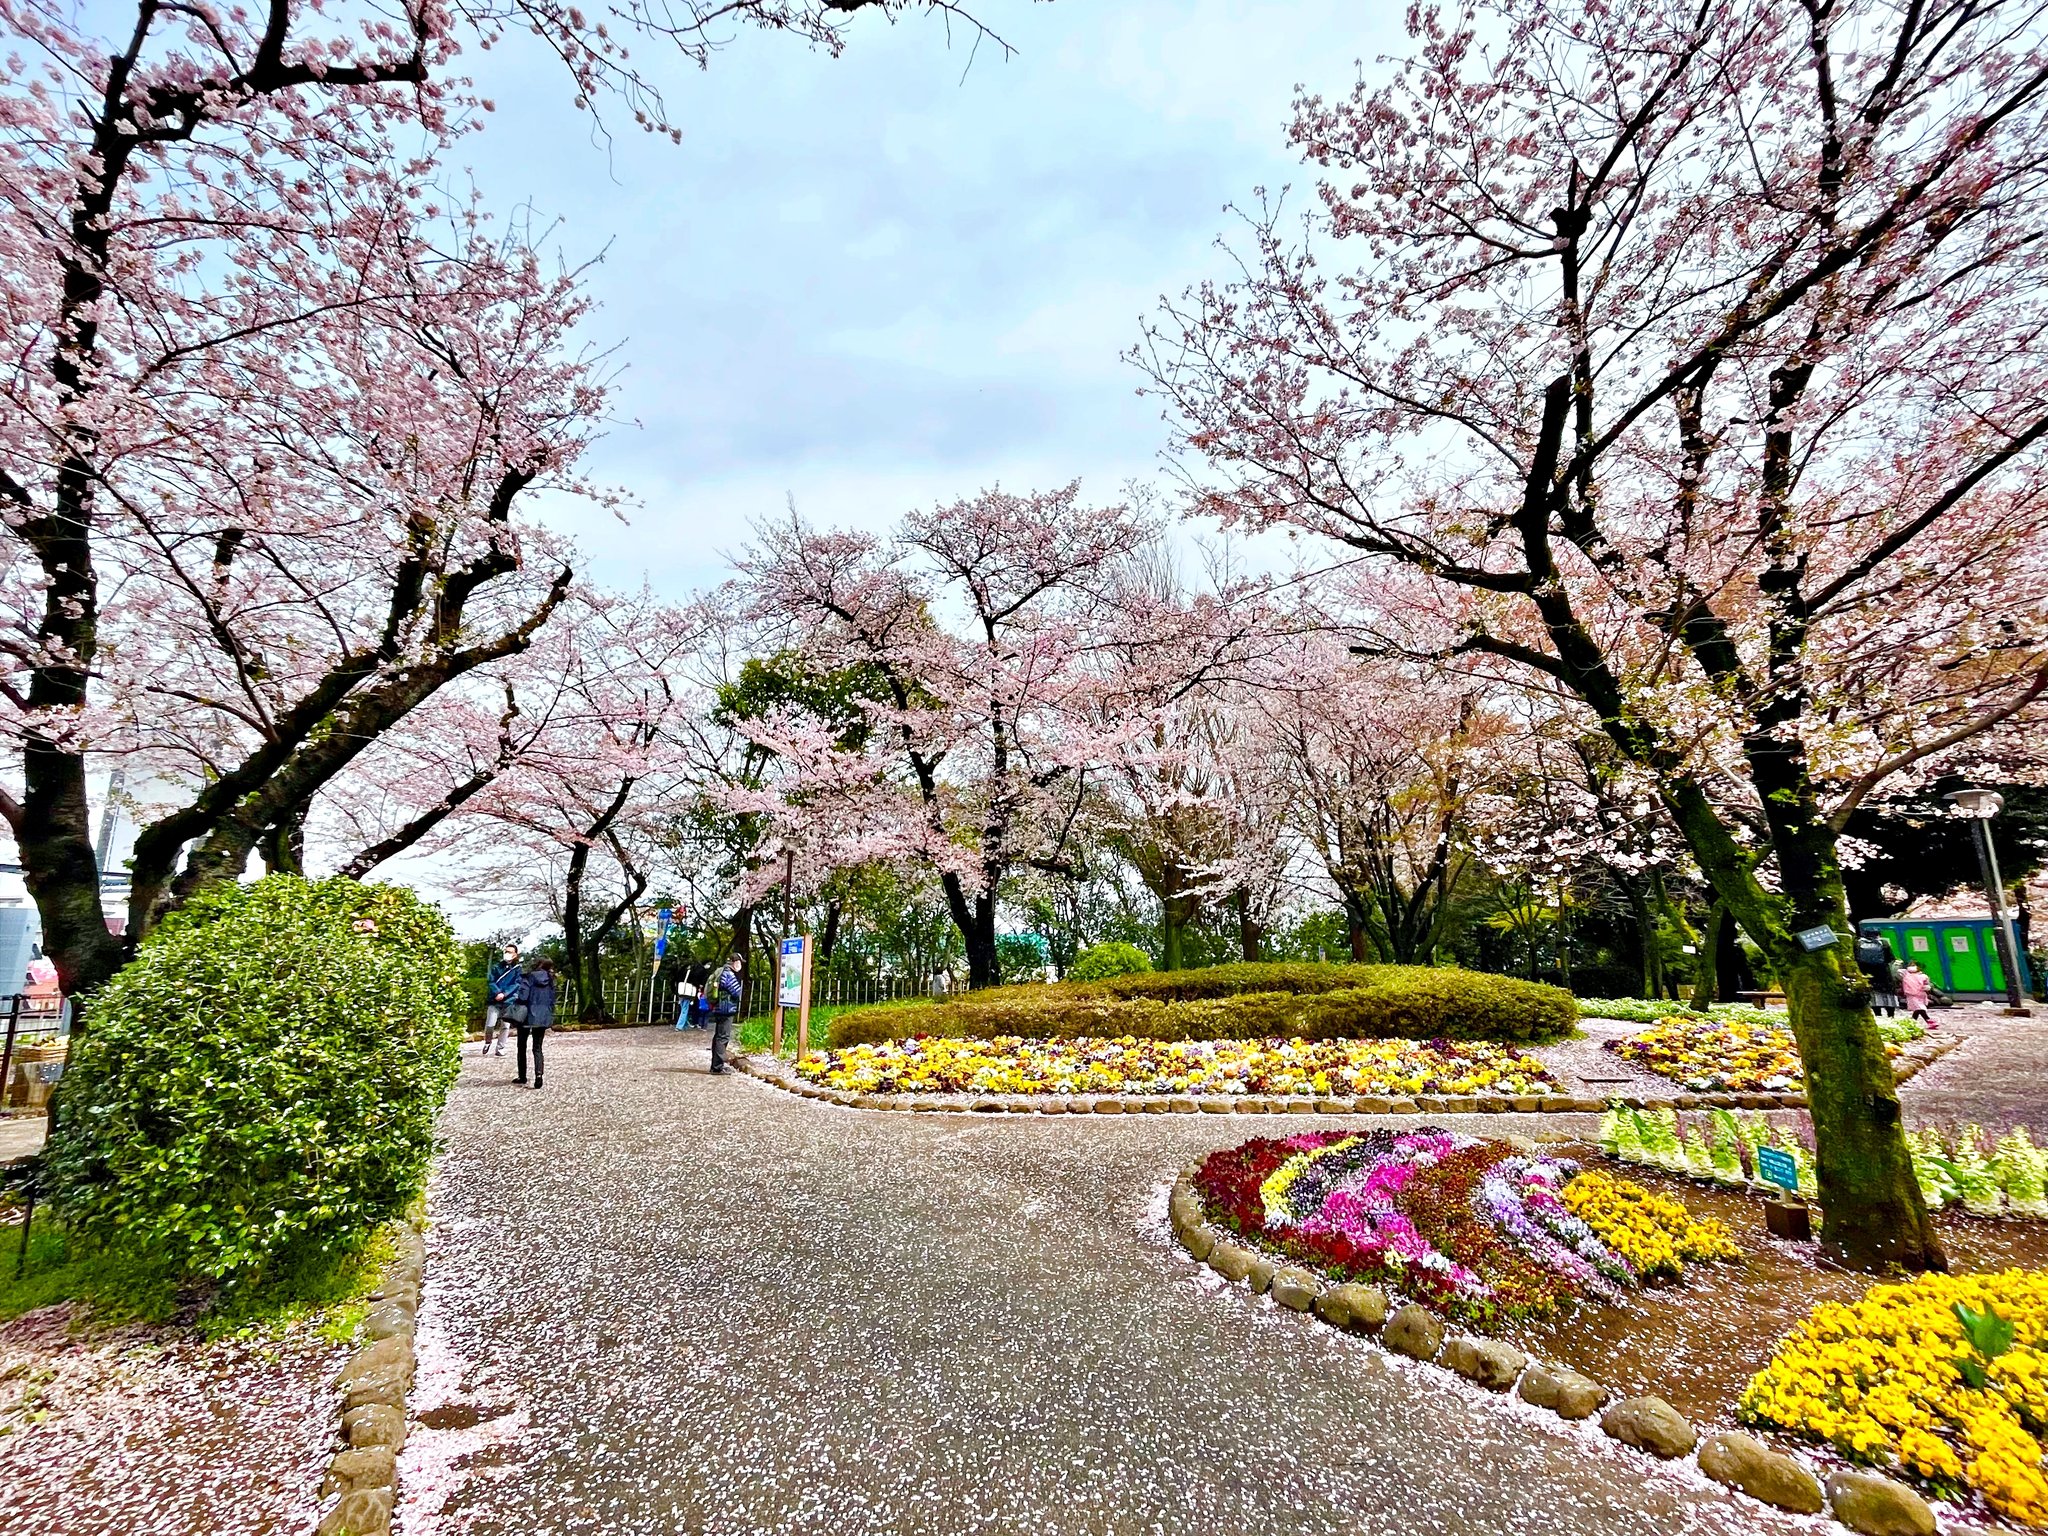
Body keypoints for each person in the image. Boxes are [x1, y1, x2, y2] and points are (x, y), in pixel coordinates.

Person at [516, 958, 557, 1088]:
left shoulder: (528, 977)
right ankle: (539, 1075)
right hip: (543, 1016)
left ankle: (522, 1076)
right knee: (537, 1047)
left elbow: (523, 996)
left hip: (527, 1015)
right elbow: (552, 999)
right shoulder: (550, 979)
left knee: (521, 1046)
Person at [483, 944, 523, 1056]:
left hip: (508, 1001)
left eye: (510, 952)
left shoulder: (517, 969)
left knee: (505, 1026)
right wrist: (497, 992)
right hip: (494, 1000)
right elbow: (491, 981)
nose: (507, 954)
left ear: (515, 954)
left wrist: (504, 994)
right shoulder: (497, 967)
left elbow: (516, 984)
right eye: (506, 951)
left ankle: (500, 1048)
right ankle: (487, 1041)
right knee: (490, 1024)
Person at [708, 953, 743, 1074]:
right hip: (726, 1009)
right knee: (723, 1037)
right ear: (734, 962)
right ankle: (717, 1067)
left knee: (719, 1036)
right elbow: (736, 992)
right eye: (739, 962)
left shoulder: (721, 971)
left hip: (719, 1008)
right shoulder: (728, 974)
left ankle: (716, 1065)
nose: (740, 965)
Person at [1856, 934, 1901, 1019]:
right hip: (1884, 974)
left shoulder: (1858, 943)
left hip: (1867, 974)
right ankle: (1891, 1015)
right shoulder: (1884, 943)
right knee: (1888, 995)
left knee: (1873, 995)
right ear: (1878, 935)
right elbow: (1890, 958)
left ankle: (1878, 1015)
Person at [677, 956, 714, 1031]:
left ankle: (684, 1024)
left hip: (681, 990)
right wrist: (699, 985)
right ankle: (679, 1026)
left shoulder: (683, 970)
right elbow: (695, 981)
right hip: (688, 992)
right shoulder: (696, 972)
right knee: (685, 1009)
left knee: (683, 1007)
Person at [1900, 961, 1935, 1027]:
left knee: (1917, 1009)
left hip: (1921, 995)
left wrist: (1927, 987)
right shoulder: (1906, 974)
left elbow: (1927, 984)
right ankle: (1929, 1020)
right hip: (1911, 995)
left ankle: (1912, 1022)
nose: (1912, 967)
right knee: (1920, 1008)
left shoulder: (1923, 976)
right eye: (1911, 965)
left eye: (1914, 965)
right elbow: (1899, 971)